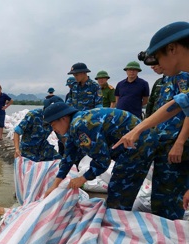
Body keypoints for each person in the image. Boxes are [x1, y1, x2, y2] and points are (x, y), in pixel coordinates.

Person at [114, 21, 189, 217]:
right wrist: (137, 130)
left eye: (158, 59)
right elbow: (177, 104)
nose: (157, 66)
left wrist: (180, 142)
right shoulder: (170, 80)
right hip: (162, 139)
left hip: (176, 141)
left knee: (170, 196)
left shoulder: (182, 78)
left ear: (172, 48)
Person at [42, 102, 157, 213]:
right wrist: (54, 185)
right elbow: (68, 157)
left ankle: (117, 222)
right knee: (117, 188)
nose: (53, 129)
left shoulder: (82, 125)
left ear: (63, 118)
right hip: (131, 146)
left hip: (138, 146)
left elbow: (102, 160)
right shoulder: (74, 126)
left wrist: (82, 179)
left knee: (119, 192)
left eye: (53, 125)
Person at [13, 95, 64, 162]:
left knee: (60, 161)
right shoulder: (33, 115)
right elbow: (17, 132)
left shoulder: (55, 120)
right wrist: (17, 149)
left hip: (43, 147)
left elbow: (62, 137)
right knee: (32, 167)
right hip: (28, 149)